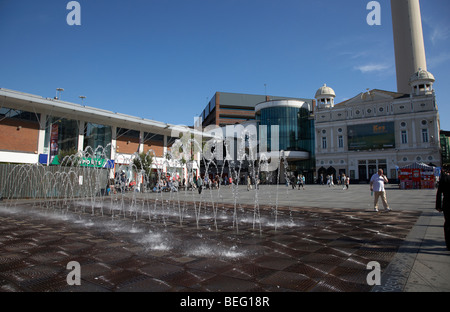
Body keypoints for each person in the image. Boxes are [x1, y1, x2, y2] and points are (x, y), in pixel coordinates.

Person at [436, 165, 450, 250]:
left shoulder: (444, 178)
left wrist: (438, 206)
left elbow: (439, 193)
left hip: (447, 203)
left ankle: (448, 243)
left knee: (448, 223)